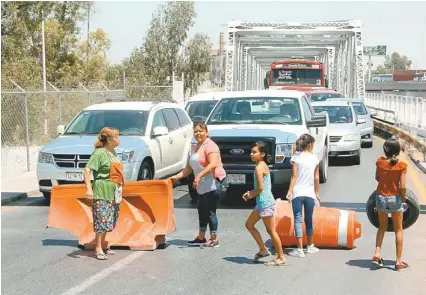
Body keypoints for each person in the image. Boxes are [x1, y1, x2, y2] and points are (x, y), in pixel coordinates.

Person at [170, 123, 226, 248]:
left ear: (206, 131)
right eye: (195, 132)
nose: (198, 134)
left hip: (214, 182)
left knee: (211, 211)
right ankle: (201, 237)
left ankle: (214, 238)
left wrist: (199, 176)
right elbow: (190, 167)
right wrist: (177, 177)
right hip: (202, 183)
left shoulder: (210, 145)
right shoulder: (196, 146)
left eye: (200, 131)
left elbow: (213, 164)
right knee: (201, 210)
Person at [243, 141, 287, 266]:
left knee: (271, 231)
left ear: (262, 154)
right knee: (249, 224)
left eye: (254, 152)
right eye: (251, 152)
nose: (251, 154)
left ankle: (281, 257)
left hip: (265, 203)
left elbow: (260, 188)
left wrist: (250, 194)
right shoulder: (262, 165)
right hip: (262, 202)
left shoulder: (259, 168)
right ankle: (263, 249)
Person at [83, 127, 124, 260]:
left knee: (110, 218)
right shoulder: (99, 153)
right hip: (101, 190)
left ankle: (104, 245)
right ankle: (98, 248)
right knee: (101, 219)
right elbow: (87, 170)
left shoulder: (114, 154)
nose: (119, 139)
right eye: (116, 137)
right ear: (109, 140)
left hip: (113, 191)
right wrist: (89, 189)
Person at [372, 138, 409, 271]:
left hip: (381, 197)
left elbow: (377, 178)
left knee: (382, 227)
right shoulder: (401, 166)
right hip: (395, 198)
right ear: (398, 151)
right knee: (398, 229)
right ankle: (398, 262)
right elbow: (403, 187)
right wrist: (403, 198)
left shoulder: (380, 162)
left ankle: (377, 253)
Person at [286, 134, 321, 258]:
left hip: (297, 193)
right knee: (309, 219)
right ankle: (310, 246)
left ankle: (299, 249)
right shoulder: (315, 159)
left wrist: (289, 191)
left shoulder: (296, 158)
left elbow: (294, 176)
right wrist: (317, 193)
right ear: (310, 145)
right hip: (310, 193)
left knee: (298, 219)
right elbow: (316, 177)